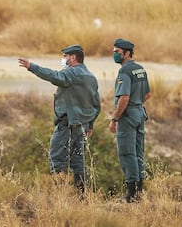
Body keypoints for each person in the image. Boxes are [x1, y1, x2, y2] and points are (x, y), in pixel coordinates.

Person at [18, 44, 101, 195]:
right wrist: (90, 124)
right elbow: (96, 104)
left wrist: (32, 66)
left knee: (57, 159)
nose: (63, 59)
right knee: (78, 163)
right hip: (81, 127)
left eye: (65, 56)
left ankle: (59, 195)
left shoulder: (71, 74)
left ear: (73, 57)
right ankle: (81, 196)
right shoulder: (91, 77)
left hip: (67, 125)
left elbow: (53, 76)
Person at [109, 38, 151, 203]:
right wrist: (136, 103)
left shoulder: (125, 72)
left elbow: (124, 97)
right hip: (139, 113)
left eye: (117, 52)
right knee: (138, 152)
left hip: (128, 115)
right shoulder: (140, 69)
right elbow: (147, 94)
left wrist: (115, 118)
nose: (114, 55)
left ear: (127, 53)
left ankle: (131, 194)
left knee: (127, 154)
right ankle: (139, 191)